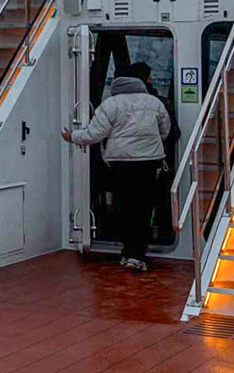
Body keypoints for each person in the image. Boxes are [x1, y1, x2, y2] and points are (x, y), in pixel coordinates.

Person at [61, 66, 171, 271]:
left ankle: (128, 253)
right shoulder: (155, 103)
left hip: (121, 165)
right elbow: (165, 131)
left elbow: (94, 135)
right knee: (143, 211)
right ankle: (137, 255)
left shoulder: (110, 105)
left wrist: (71, 137)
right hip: (149, 164)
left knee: (124, 209)